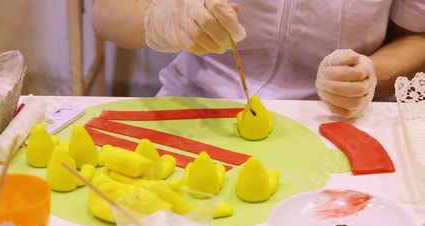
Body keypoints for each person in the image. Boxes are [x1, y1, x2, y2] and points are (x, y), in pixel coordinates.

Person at [91, 1, 425, 118]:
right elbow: (105, 15)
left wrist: (366, 75)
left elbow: (416, 35)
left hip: (331, 119)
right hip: (196, 108)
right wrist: (162, 20)